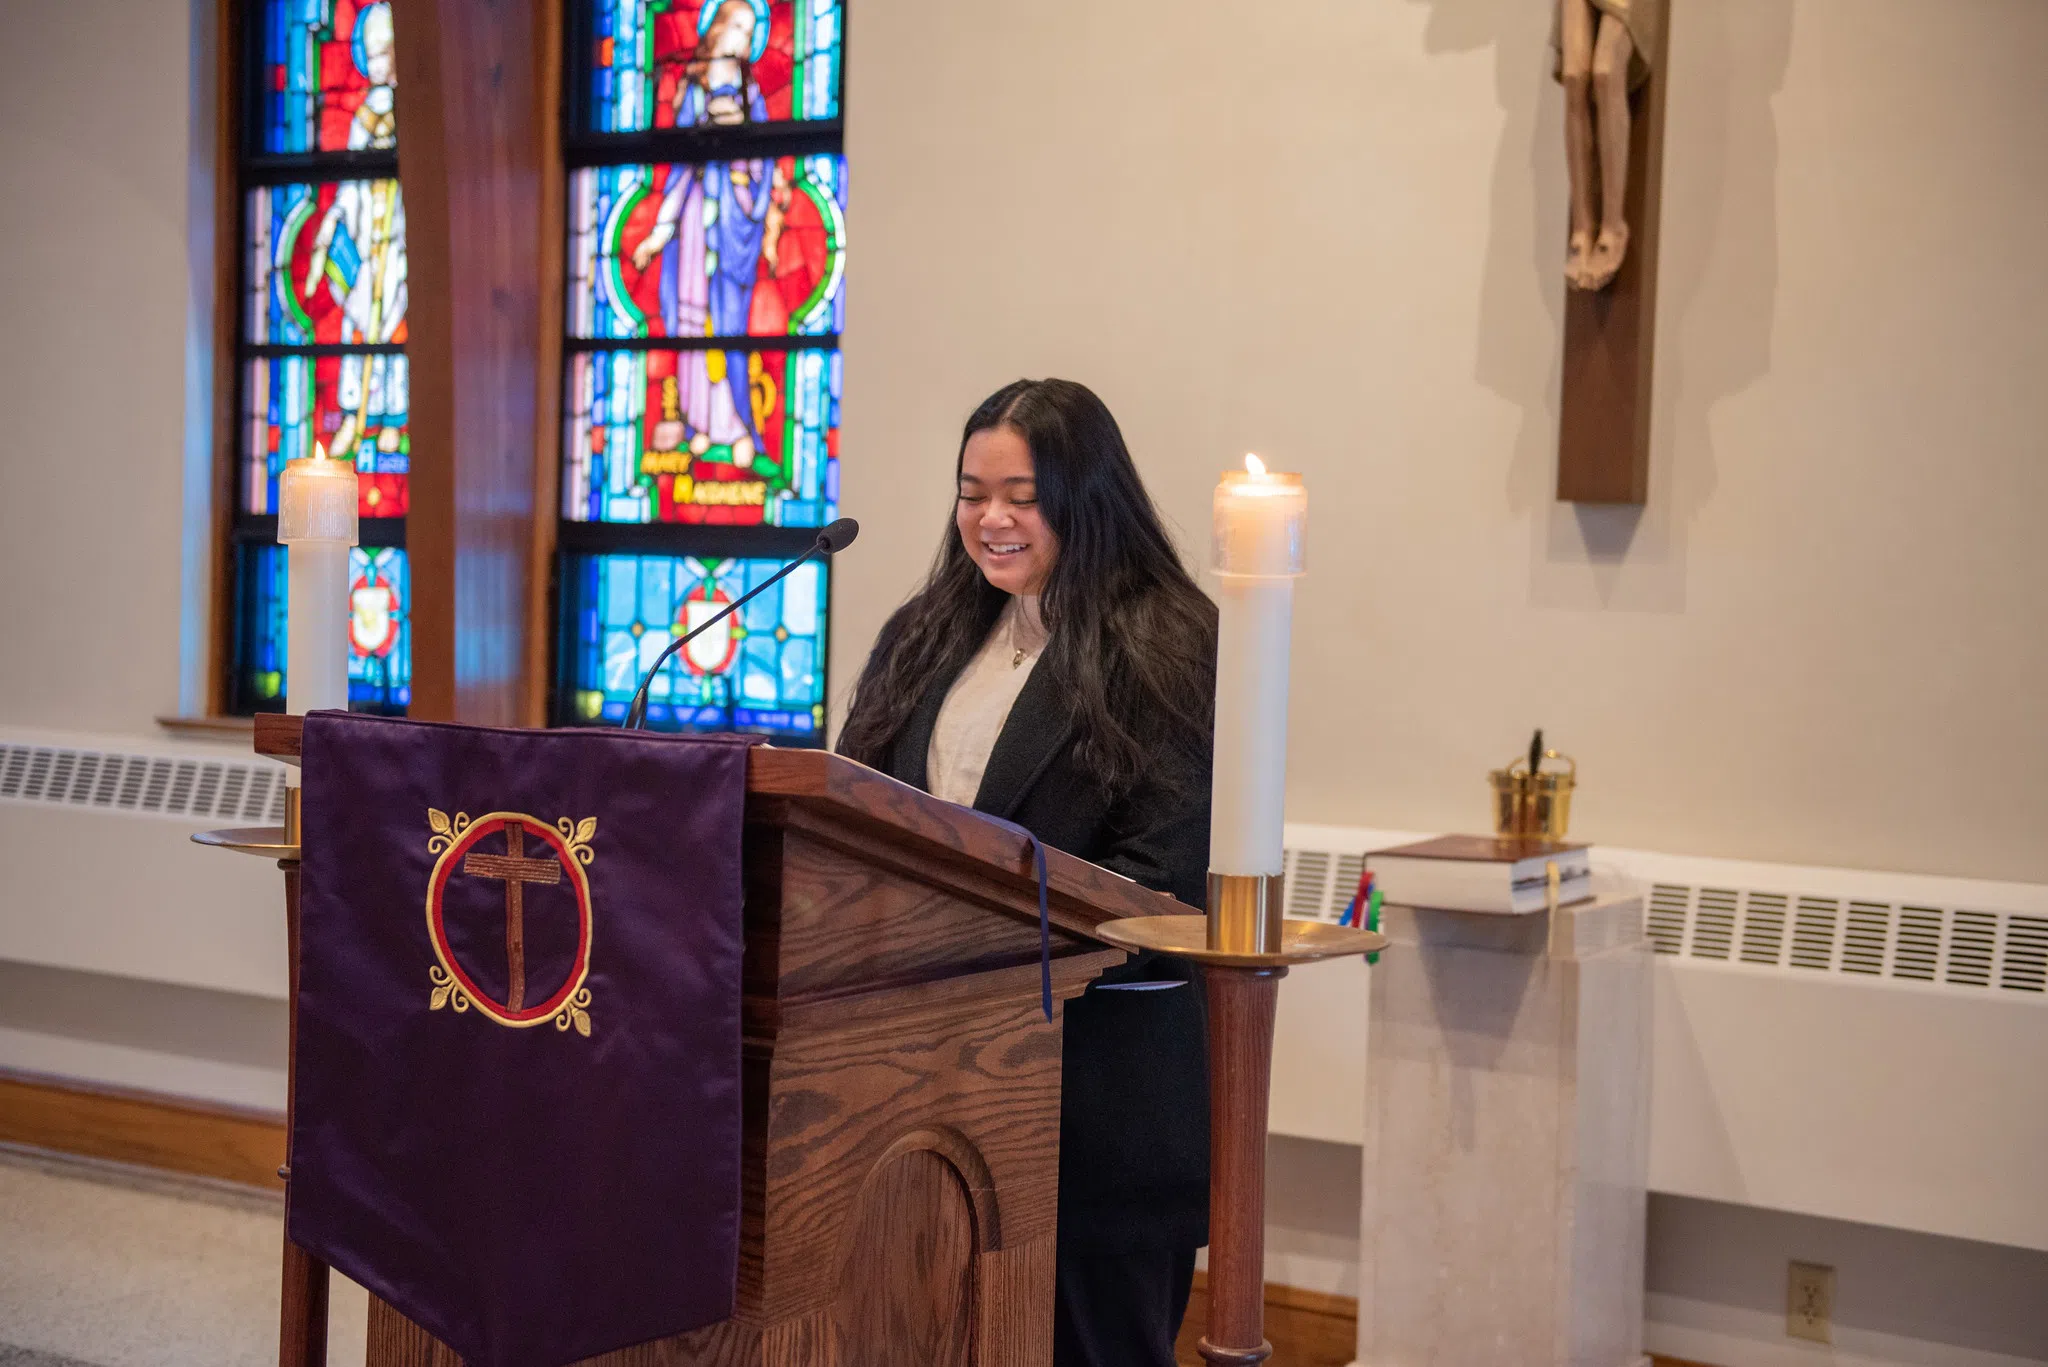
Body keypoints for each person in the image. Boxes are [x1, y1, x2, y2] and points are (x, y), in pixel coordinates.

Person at [838, 379, 1217, 1366]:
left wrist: (974, 959)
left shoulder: (1166, 640)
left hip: (1094, 1102)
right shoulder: (924, 632)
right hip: (920, 1101)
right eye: (971, 491)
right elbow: (848, 822)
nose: (991, 518)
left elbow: (1157, 878)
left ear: (1082, 497)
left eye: (1020, 493)